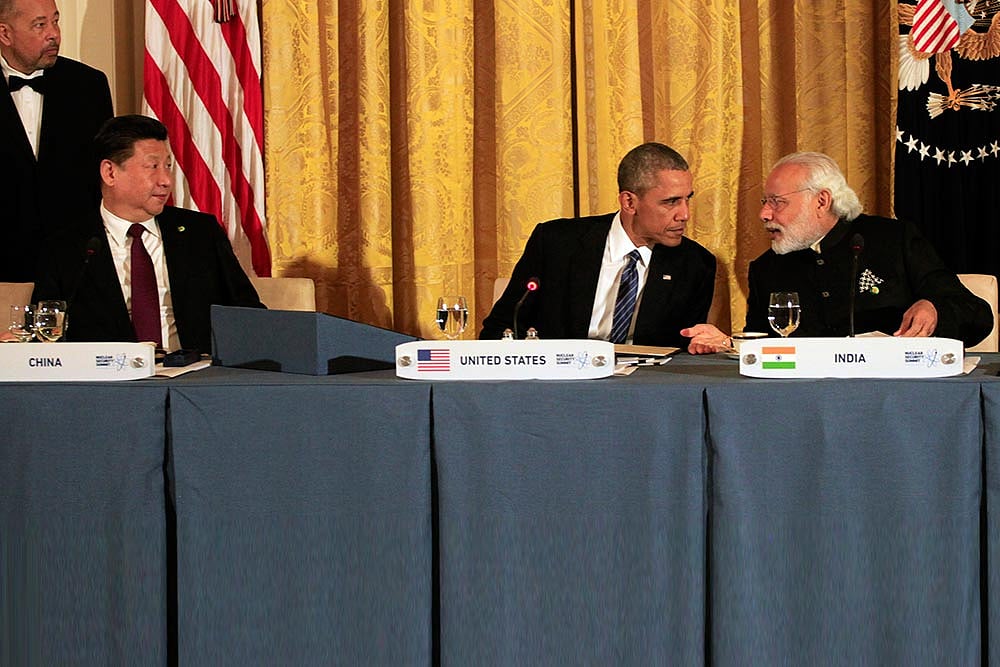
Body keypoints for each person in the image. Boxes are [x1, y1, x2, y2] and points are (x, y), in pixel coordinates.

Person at [683, 151, 992, 353]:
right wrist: (728, 344)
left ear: (821, 201)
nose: (764, 214)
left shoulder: (894, 239)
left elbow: (976, 315)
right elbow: (765, 350)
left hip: (893, 396)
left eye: (777, 202)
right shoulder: (767, 268)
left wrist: (935, 309)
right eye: (765, 202)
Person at [32, 114, 264, 353]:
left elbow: (248, 311)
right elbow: (45, 333)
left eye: (168, 166)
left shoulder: (200, 233)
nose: (166, 180)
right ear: (110, 173)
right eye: (153, 166)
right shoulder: (66, 247)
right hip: (109, 373)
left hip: (194, 370)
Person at [480, 142, 716, 348]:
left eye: (687, 199)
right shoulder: (556, 243)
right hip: (561, 379)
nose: (684, 214)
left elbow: (684, 350)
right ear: (629, 202)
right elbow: (501, 328)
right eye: (671, 202)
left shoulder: (695, 264)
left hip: (644, 382)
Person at [0, 0, 113, 282]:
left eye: (56, 21)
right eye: (40, 25)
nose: (54, 34)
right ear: (5, 33)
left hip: (75, 267)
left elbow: (101, 178)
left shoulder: (89, 85)